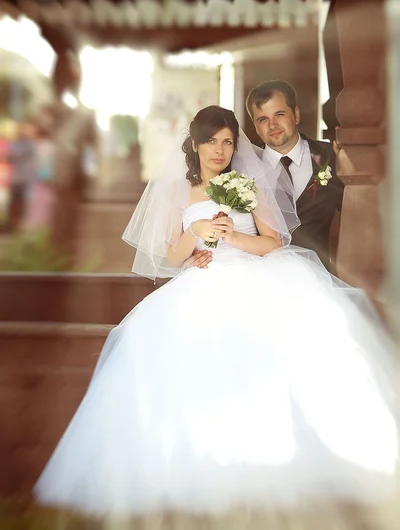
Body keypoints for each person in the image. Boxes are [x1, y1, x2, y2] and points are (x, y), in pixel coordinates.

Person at [34, 106, 397, 521]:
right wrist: (195, 236)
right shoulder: (179, 192)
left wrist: (234, 238)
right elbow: (170, 255)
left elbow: (274, 242)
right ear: (194, 144)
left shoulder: (247, 185)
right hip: (200, 281)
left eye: (228, 141)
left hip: (255, 273)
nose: (220, 150)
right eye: (211, 141)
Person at [245, 80, 344, 271]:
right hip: (262, 279)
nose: (272, 125)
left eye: (279, 114)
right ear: (255, 126)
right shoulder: (243, 171)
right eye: (262, 119)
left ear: (296, 115)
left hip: (319, 278)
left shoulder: (331, 156)